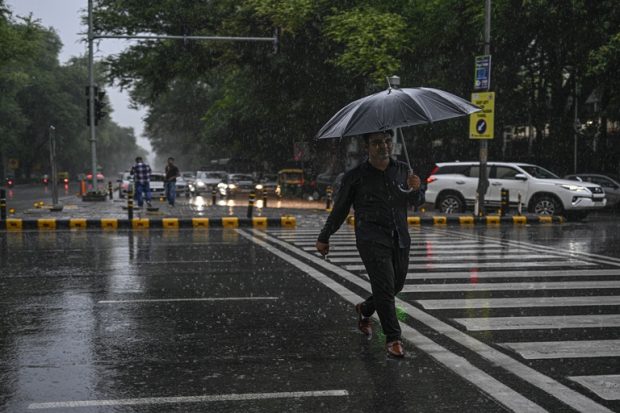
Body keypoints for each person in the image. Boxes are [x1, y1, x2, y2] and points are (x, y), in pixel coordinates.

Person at [315, 130, 424, 358]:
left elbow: (416, 201)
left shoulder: (403, 170)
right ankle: (393, 338)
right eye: (376, 143)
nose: (383, 146)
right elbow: (341, 209)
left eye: (386, 141)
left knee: (395, 285)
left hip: (400, 237)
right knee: (384, 286)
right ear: (367, 147)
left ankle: (365, 309)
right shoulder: (355, 176)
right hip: (371, 239)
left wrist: (417, 188)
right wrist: (325, 236)